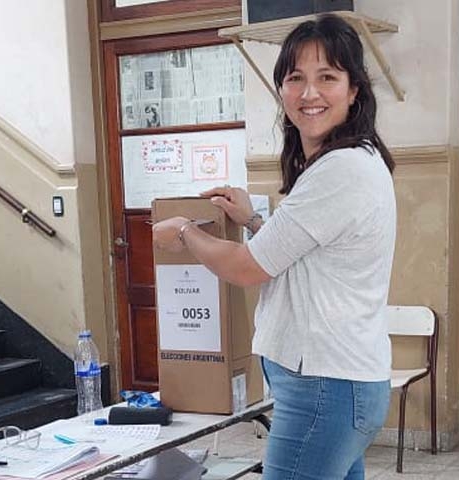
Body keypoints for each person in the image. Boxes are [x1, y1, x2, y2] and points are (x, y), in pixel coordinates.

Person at [153, 13, 396, 480]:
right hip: (340, 382)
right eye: (296, 78)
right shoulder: (350, 161)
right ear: (281, 89)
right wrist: (252, 220)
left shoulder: (340, 169)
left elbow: (246, 268)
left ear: (354, 90)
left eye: (327, 77)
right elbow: (304, 257)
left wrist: (183, 230)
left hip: (324, 386)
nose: (309, 93)